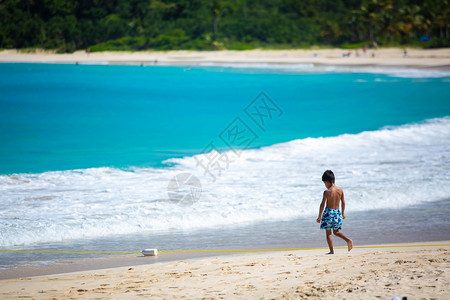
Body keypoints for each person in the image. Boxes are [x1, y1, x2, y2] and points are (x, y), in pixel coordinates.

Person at [316, 170, 353, 254]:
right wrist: (343, 213)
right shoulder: (340, 190)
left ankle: (331, 251)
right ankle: (348, 240)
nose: (325, 185)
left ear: (326, 181)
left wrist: (319, 216)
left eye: (324, 183)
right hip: (337, 213)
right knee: (336, 232)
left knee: (328, 233)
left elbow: (322, 205)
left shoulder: (327, 192)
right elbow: (343, 202)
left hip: (328, 213)